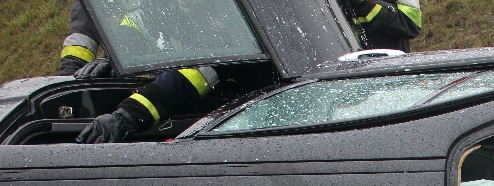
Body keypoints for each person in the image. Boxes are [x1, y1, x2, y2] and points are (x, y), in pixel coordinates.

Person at [63, 0, 423, 143]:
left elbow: (408, 22)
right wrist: (126, 112)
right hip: (278, 121)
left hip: (370, 85)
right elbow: (197, 72)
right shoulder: (246, 27)